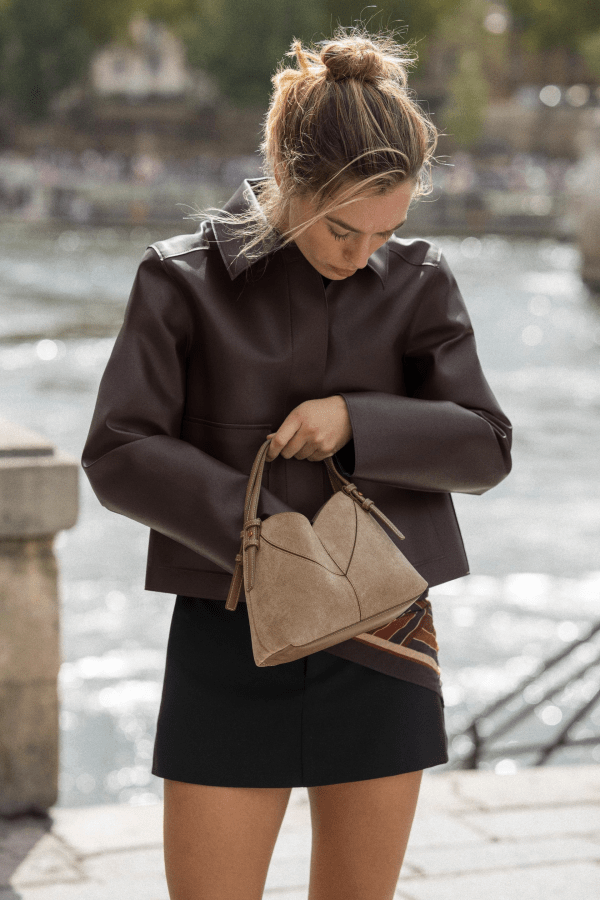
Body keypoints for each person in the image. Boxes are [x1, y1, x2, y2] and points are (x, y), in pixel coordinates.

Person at [81, 25, 512, 900]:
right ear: (288, 173)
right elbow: (118, 449)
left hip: (382, 639)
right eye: (344, 228)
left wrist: (357, 418)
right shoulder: (179, 282)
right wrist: (263, 530)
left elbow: (485, 446)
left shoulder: (420, 283)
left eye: (385, 232)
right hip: (229, 634)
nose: (363, 257)